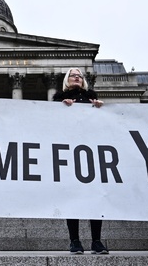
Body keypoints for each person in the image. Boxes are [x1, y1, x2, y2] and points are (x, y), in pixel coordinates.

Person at [52, 67, 108, 255]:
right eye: (73, 75)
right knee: (72, 199)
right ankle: (74, 241)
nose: (76, 77)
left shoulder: (93, 99)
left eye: (79, 75)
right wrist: (61, 108)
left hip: (91, 153)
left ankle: (96, 241)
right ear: (67, 80)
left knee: (95, 198)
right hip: (68, 155)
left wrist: (101, 109)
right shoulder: (58, 100)